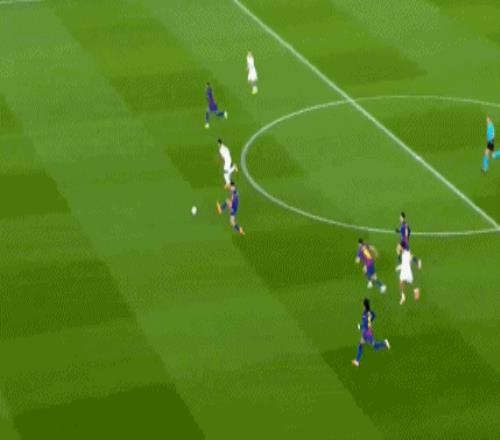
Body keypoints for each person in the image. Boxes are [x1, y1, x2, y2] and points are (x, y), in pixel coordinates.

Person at [352, 298, 390, 367]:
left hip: (367, 332)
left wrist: (360, 326)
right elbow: (374, 315)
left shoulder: (367, 314)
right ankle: (357, 361)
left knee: (375, 346)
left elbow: (366, 323)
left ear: (365, 305)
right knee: (361, 345)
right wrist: (369, 321)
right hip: (365, 332)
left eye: (363, 304)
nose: (362, 305)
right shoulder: (367, 312)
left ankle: (384, 344)